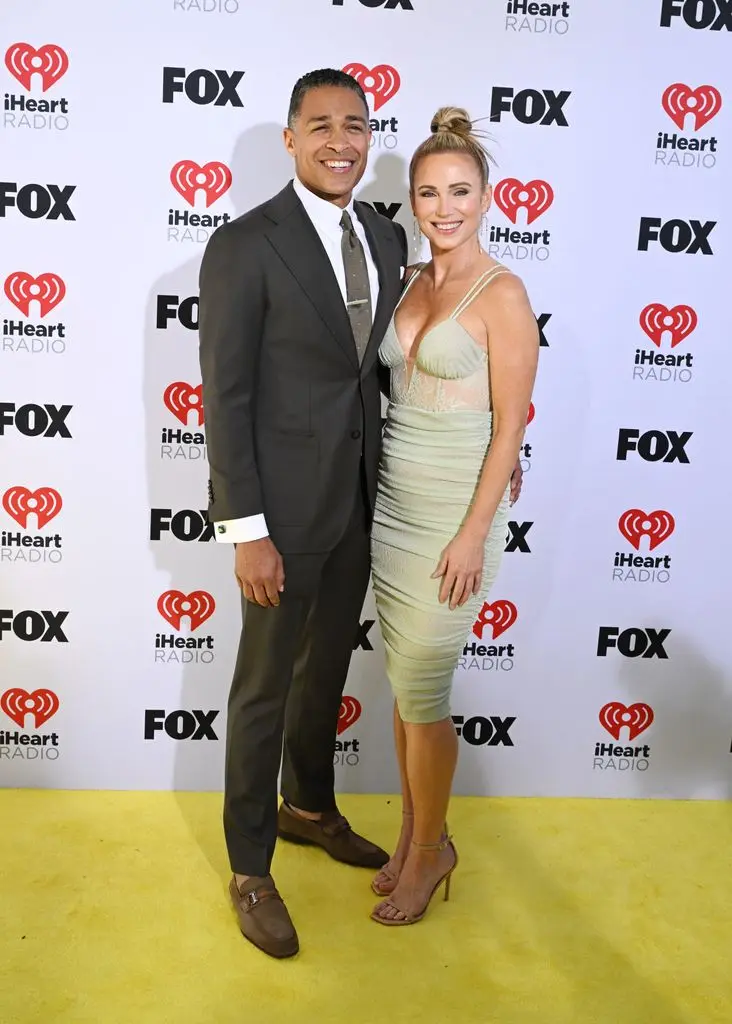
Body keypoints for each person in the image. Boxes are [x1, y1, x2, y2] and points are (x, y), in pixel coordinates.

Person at [197, 68, 409, 959]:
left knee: (326, 673)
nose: (339, 140)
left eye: (354, 124)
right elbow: (226, 394)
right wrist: (247, 530)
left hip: (361, 504)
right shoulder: (245, 244)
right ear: (289, 139)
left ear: (369, 137)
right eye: (319, 124)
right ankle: (250, 865)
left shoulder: (388, 240)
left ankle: (308, 808)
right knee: (263, 689)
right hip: (278, 519)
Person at [369, 107, 539, 926]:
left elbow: (510, 425)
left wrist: (474, 533)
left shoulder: (502, 292)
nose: (445, 207)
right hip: (392, 506)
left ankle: (432, 853)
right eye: (430, 192)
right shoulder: (407, 280)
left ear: (487, 195)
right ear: (412, 198)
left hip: (451, 516)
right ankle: (413, 835)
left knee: (426, 695)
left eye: (461, 191)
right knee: (405, 692)